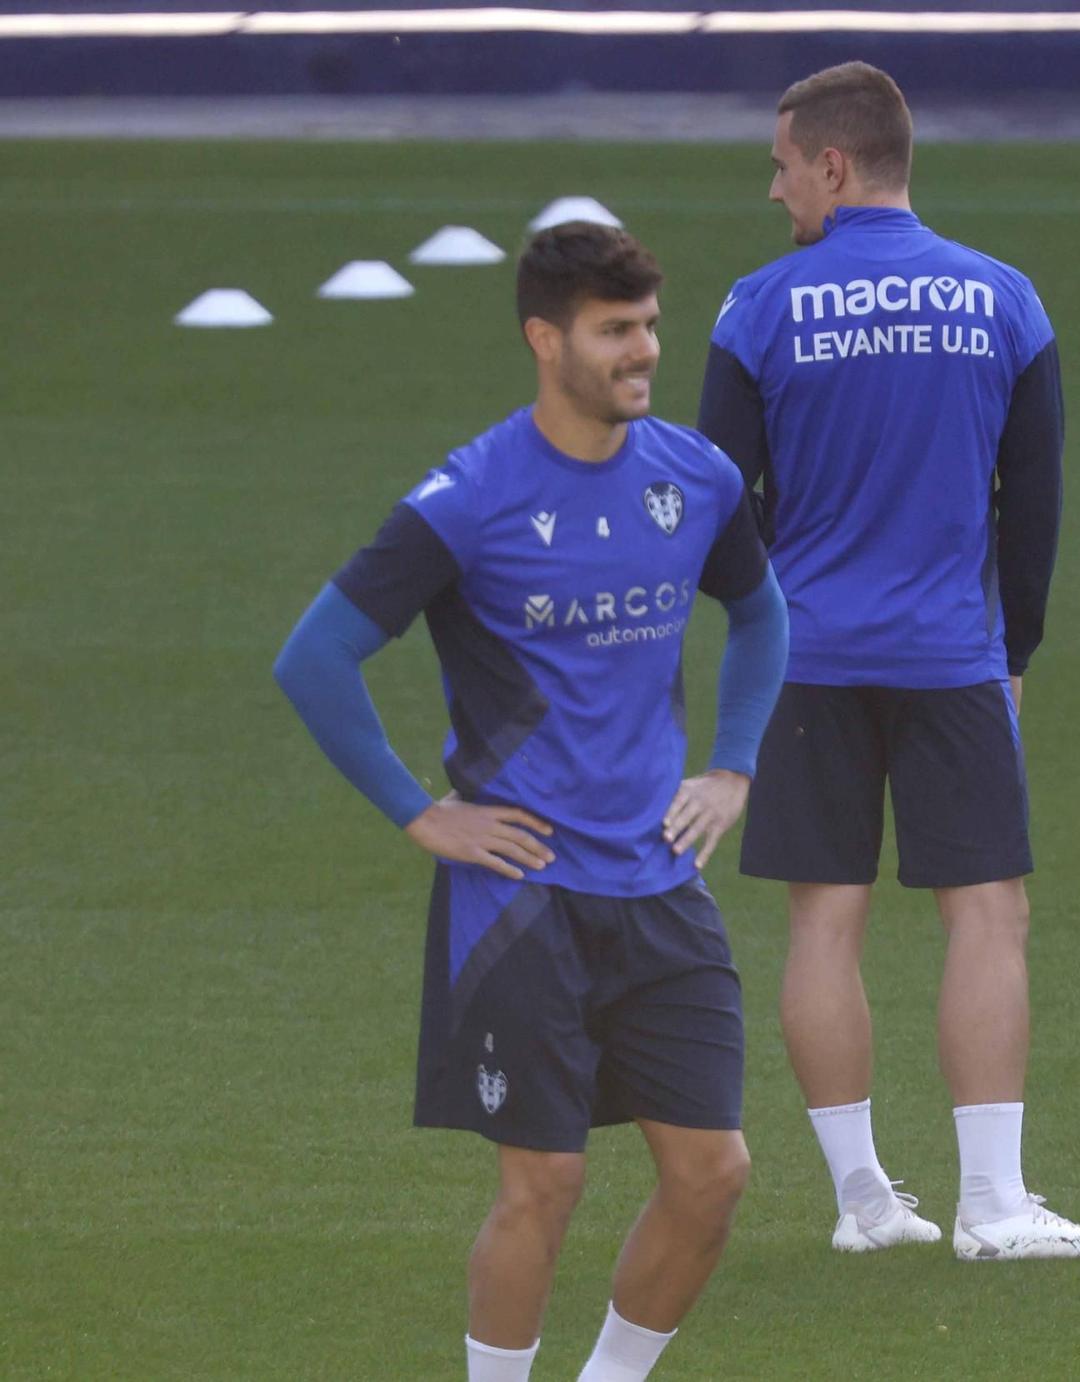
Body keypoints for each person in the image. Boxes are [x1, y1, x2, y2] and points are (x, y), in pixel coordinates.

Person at [274, 222, 788, 1378]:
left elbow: (760, 612)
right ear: (543, 338)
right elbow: (315, 656)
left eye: (649, 324)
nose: (643, 351)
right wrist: (419, 809)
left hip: (661, 886)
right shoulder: (470, 497)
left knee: (713, 1175)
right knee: (543, 1181)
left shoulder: (693, 477)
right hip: (520, 896)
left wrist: (732, 764)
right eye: (615, 331)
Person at [696, 61, 1080, 1261]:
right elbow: (1031, 500)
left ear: (832, 165)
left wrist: (772, 613)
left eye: (781, 163)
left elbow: (718, 507)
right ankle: (992, 1206)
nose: (771, 183)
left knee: (822, 921)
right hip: (951, 655)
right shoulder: (1003, 300)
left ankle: (863, 1203)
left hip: (805, 661)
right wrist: (1015, 651)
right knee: (986, 915)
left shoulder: (756, 308)